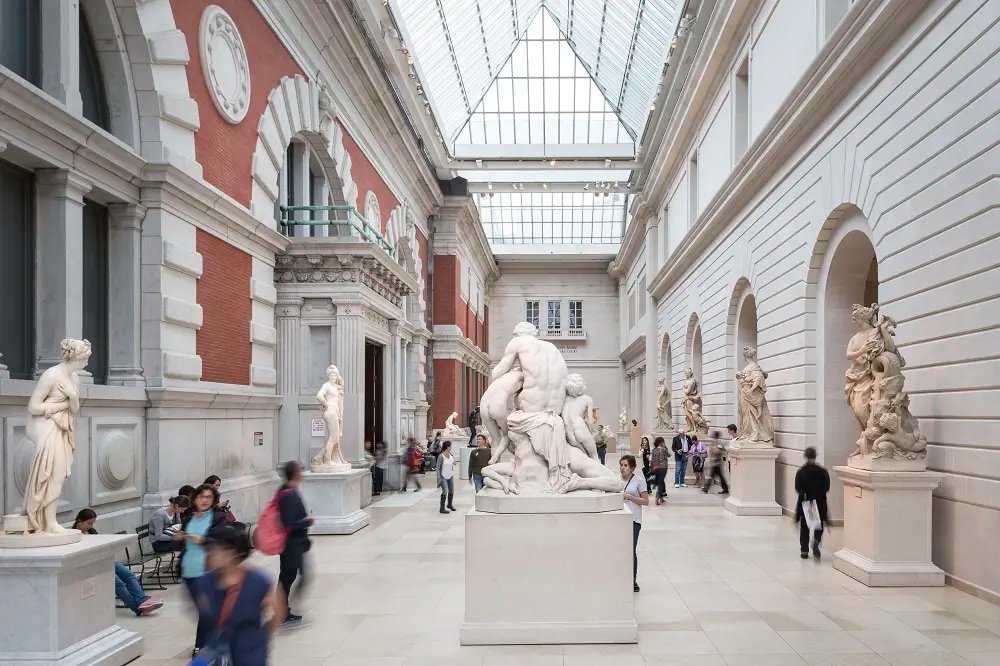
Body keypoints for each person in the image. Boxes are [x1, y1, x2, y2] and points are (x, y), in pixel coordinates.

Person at [192, 523, 279, 666]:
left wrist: (262, 637)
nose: (211, 553)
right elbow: (204, 615)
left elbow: (276, 612)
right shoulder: (205, 582)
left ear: (236, 552)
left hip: (250, 650)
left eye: (217, 549)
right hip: (218, 648)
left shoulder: (258, 581)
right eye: (209, 549)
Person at [73, 509, 165, 617]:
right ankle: (138, 608)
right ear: (80, 521)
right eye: (89, 523)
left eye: (92, 523)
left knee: (130, 576)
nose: (91, 525)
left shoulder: (92, 531)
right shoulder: (74, 535)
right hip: (93, 565)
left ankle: (142, 601)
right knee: (119, 584)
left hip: (106, 560)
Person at [176, 484, 229, 656]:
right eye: (201, 496)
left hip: (209, 571)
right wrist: (177, 539)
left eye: (208, 497)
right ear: (195, 498)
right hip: (189, 570)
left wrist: (204, 540)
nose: (204, 500)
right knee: (205, 611)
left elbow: (223, 540)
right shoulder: (188, 518)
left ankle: (202, 646)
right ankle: (215, 641)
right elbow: (181, 543)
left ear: (214, 500)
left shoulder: (218, 517)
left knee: (207, 611)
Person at [276, 461, 312, 626]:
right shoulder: (289, 494)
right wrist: (307, 522)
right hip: (291, 544)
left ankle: (283, 608)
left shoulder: (285, 490)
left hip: (294, 543)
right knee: (287, 577)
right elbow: (290, 523)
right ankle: (281, 610)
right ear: (296, 473)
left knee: (291, 576)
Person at [794, 447, 830, 559]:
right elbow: (826, 487)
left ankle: (804, 550)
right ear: (815, 456)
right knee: (818, 525)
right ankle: (816, 541)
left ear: (805, 456)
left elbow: (798, 488)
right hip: (820, 501)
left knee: (805, 526)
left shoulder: (801, 472)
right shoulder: (823, 471)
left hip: (808, 503)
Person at [620, 455, 648, 592]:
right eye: (621, 465)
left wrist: (630, 497)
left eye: (625, 465)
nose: (622, 468)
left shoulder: (639, 481)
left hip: (634, 520)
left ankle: (633, 580)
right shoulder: (616, 480)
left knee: (631, 550)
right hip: (620, 519)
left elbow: (645, 501)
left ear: (632, 468)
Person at [436, 441, 457, 513]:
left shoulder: (450, 454)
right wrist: (439, 477)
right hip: (443, 476)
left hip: (450, 475)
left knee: (451, 491)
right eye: (450, 446)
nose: (451, 447)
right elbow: (438, 467)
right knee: (445, 491)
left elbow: (450, 461)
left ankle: (449, 505)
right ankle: (442, 508)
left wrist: (453, 463)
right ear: (448, 447)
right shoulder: (441, 456)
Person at [649, 437, 669, 505]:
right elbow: (669, 455)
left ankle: (661, 497)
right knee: (661, 482)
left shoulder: (654, 450)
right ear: (662, 442)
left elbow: (652, 460)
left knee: (660, 481)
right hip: (662, 467)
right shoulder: (663, 449)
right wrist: (665, 447)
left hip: (655, 467)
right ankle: (657, 497)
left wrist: (651, 468)